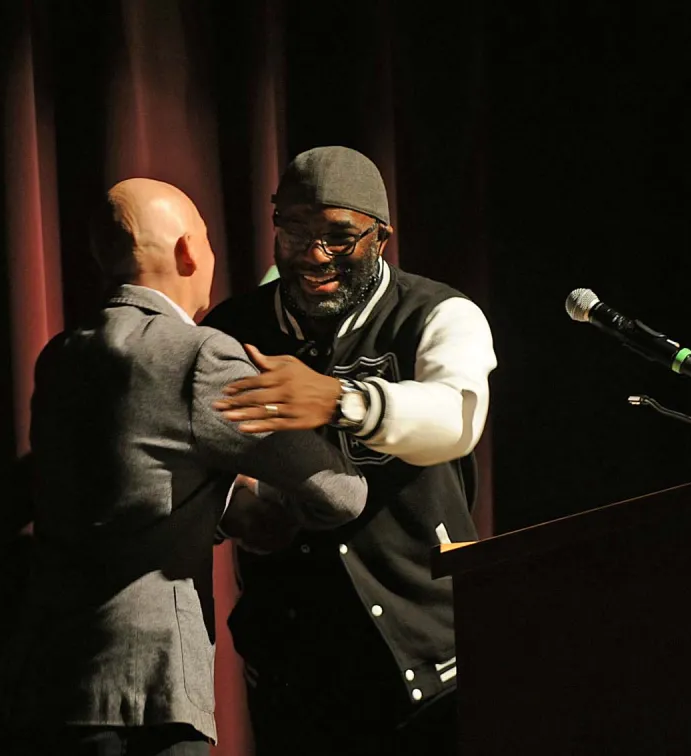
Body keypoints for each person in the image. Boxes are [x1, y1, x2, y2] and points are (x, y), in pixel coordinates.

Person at [0, 178, 367, 756]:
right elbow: (340, 494)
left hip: (50, 684)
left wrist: (223, 503)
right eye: (209, 241)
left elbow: (127, 481)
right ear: (189, 250)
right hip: (147, 697)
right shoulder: (200, 355)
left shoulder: (62, 355)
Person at [203, 146, 497, 755]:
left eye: (340, 237)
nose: (314, 256)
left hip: (427, 650)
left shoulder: (437, 313)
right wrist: (234, 503)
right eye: (296, 233)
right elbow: (191, 454)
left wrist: (341, 401)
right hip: (293, 655)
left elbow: (457, 420)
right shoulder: (230, 328)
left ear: (382, 237)